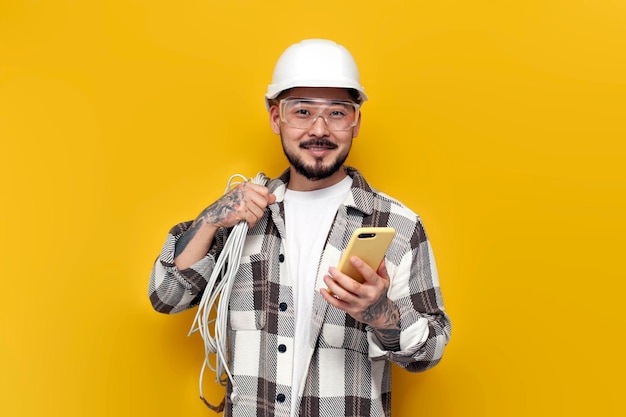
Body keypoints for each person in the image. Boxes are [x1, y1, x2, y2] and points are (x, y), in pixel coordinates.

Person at [148, 39, 451, 417]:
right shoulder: (241, 218)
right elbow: (166, 296)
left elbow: (429, 352)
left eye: (337, 113)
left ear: (356, 122)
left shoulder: (398, 226)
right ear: (276, 118)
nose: (320, 129)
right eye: (303, 111)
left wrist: (379, 312)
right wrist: (210, 218)